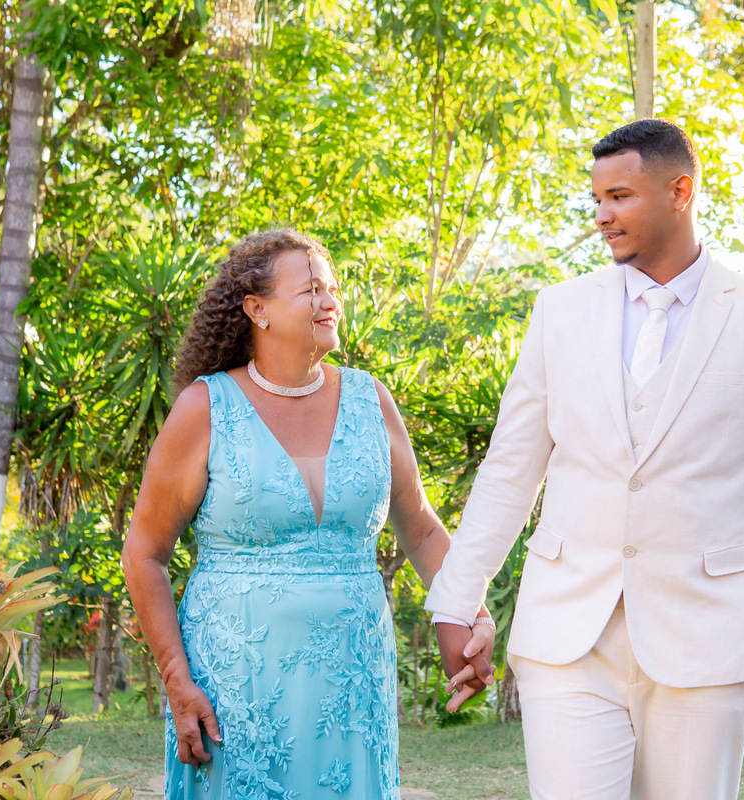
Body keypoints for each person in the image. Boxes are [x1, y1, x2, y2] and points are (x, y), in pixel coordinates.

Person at [426, 120, 744, 800]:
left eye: (620, 197)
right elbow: (510, 469)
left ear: (680, 191)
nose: (602, 215)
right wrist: (455, 599)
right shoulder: (560, 311)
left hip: (706, 638)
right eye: (597, 199)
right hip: (567, 633)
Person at [122, 228, 494, 800]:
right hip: (235, 689)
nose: (330, 301)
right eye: (313, 289)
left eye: (333, 288)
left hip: (354, 681)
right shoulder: (205, 407)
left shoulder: (372, 400)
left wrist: (471, 612)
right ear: (258, 310)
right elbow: (144, 552)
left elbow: (420, 528)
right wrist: (176, 677)